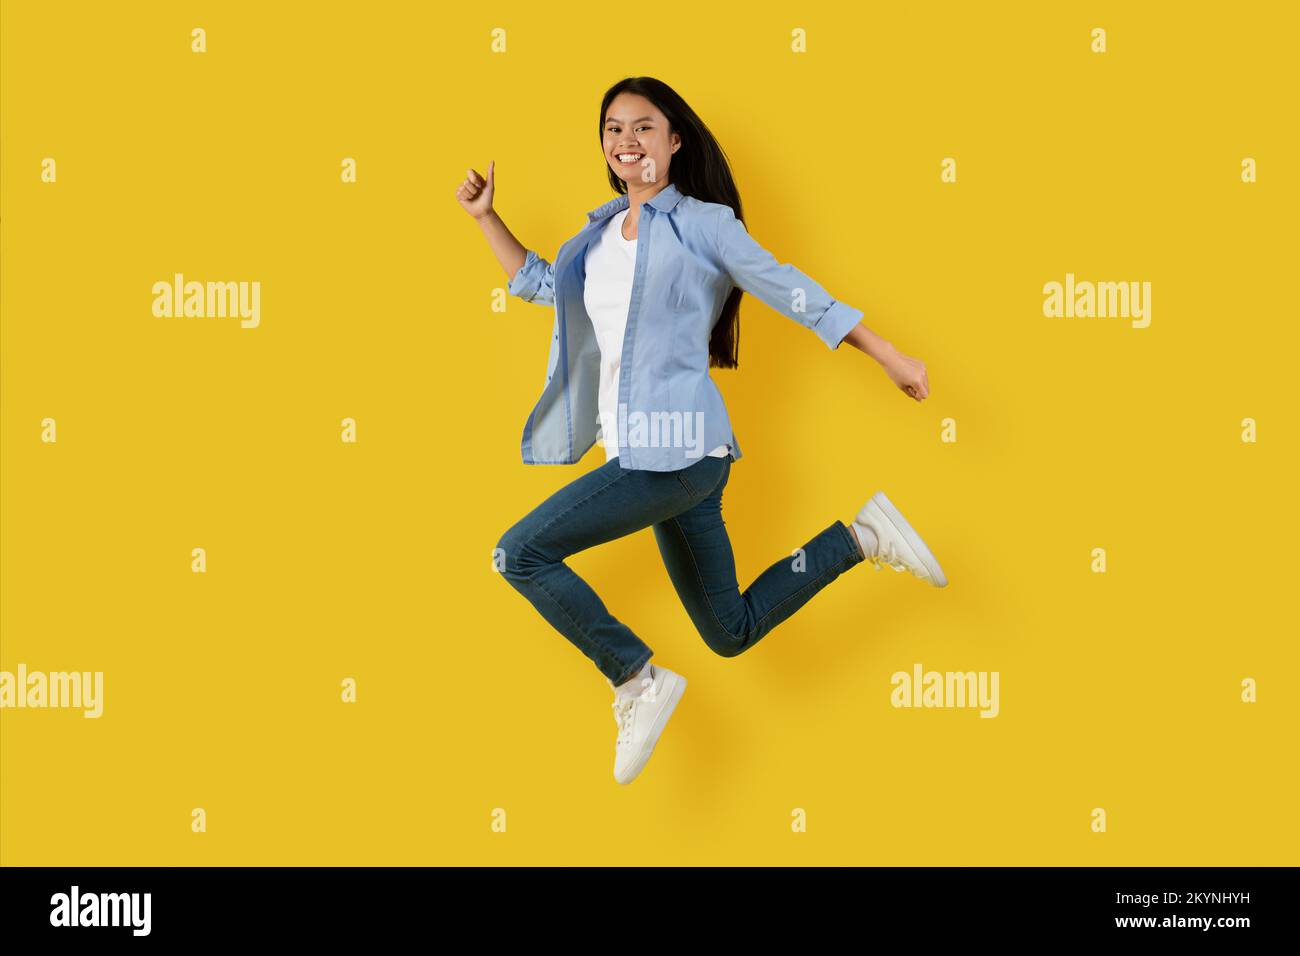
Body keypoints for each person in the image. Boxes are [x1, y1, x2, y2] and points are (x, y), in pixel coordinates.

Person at [456, 76, 947, 785]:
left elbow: (794, 291)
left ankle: (635, 679)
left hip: (679, 450)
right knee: (730, 631)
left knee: (519, 554)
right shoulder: (594, 236)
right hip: (659, 458)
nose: (627, 141)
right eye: (614, 129)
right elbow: (538, 283)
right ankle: (863, 537)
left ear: (675, 140)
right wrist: (485, 218)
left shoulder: (704, 225)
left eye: (644, 127)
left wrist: (888, 353)